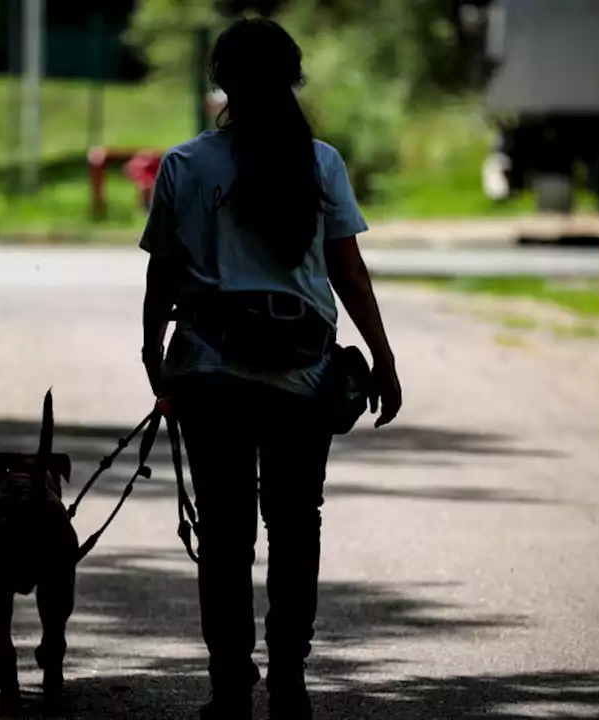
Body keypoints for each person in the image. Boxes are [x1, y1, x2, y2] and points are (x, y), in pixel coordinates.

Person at [137, 17, 402, 719]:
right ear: (292, 77)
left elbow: (163, 279)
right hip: (302, 374)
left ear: (220, 80)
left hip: (209, 373)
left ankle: (231, 688)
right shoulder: (321, 163)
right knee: (296, 525)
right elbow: (348, 269)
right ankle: (289, 679)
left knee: (224, 536)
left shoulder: (185, 165)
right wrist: (383, 355)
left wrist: (152, 356)